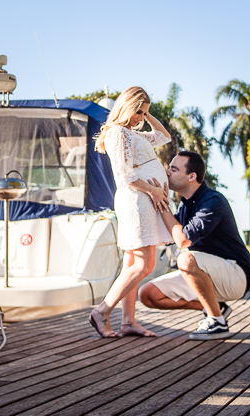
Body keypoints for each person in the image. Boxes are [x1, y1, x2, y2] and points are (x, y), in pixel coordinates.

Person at [138, 151, 250, 340]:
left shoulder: (213, 201)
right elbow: (166, 236)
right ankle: (216, 307)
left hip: (235, 274)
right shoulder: (186, 205)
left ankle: (216, 321)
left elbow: (182, 240)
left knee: (185, 258)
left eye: (174, 169)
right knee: (147, 294)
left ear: (192, 176)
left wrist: (163, 203)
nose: (167, 173)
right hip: (204, 274)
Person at [89, 86, 174, 338]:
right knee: (145, 264)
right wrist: (154, 191)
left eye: (144, 113)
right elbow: (124, 176)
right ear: (125, 107)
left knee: (132, 262)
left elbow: (163, 136)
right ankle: (101, 311)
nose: (140, 117)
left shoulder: (132, 133)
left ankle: (128, 321)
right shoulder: (118, 133)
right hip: (137, 199)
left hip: (144, 198)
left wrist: (146, 116)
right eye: (137, 111)